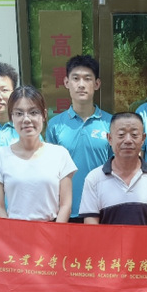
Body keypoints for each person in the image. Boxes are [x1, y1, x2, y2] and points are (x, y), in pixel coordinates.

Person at [0, 86, 77, 222]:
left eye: (33, 112)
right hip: (14, 230)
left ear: (44, 115)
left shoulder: (60, 154)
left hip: (51, 230)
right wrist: (8, 231)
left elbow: (66, 206)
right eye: (19, 113)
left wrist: (56, 232)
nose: (26, 119)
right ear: (11, 117)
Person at [45, 55, 112, 220]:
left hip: (102, 209)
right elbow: (50, 171)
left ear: (97, 84)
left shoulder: (111, 123)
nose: (81, 84)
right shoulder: (55, 125)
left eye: (87, 79)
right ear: (66, 82)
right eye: (75, 78)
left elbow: (116, 167)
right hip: (66, 211)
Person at [79, 112, 147, 226]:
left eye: (134, 135)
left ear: (143, 138)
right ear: (109, 138)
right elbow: (91, 225)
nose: (128, 140)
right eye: (121, 135)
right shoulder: (94, 179)